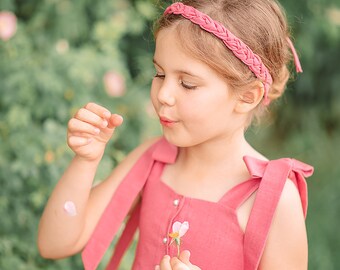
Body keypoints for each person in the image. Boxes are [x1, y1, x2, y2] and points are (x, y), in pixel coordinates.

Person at [37, 0, 314, 269]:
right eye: (159, 74)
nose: (164, 95)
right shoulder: (154, 160)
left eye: (187, 84)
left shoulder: (273, 200)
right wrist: (86, 161)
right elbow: (55, 244)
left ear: (247, 96)